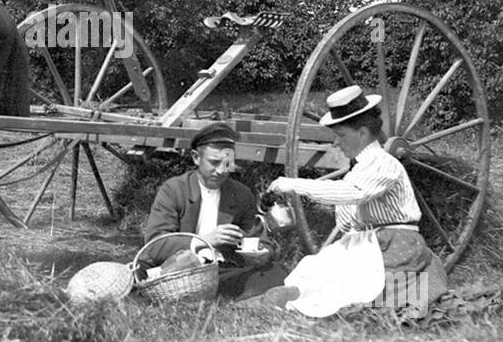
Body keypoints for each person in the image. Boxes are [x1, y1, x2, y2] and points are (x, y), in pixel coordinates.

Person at [262, 85, 448, 317]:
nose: (337, 143)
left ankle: (313, 299)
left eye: (341, 136)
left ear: (362, 133)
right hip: (367, 242)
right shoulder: (358, 170)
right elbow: (349, 220)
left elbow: (355, 192)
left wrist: (295, 185)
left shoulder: (384, 163)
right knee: (318, 264)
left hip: (395, 244)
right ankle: (298, 294)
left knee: (356, 282)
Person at [142, 122, 288, 299]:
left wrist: (259, 254)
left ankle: (235, 295)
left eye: (227, 163)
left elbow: (262, 242)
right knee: (138, 271)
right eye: (214, 162)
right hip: (179, 271)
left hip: (221, 270)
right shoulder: (174, 189)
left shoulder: (241, 194)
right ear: (196, 158)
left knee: (276, 271)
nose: (220, 171)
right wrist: (203, 241)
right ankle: (246, 298)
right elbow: (155, 244)